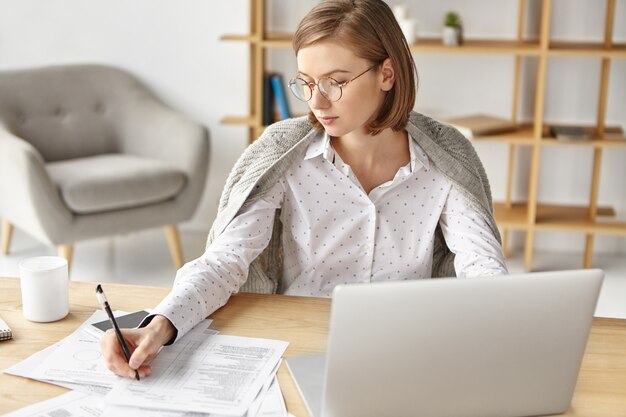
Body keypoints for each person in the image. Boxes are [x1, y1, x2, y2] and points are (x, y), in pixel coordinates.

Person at [101, 0, 508, 379]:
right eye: (306, 83)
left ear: (387, 74)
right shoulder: (285, 157)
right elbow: (226, 259)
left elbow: (482, 265)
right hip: (302, 347)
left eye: (336, 82)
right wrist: (160, 325)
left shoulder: (444, 161)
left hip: (409, 351)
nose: (317, 101)